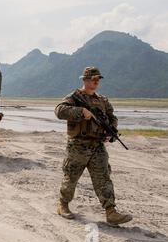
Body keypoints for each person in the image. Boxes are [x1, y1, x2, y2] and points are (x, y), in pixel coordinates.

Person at [54, 66, 133, 226]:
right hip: (78, 146)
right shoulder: (75, 97)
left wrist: (111, 132)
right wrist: (80, 112)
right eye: (93, 79)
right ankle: (63, 205)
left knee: (103, 178)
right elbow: (59, 111)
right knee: (71, 177)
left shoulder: (102, 100)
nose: (96, 82)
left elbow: (112, 118)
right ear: (84, 80)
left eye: (98, 79)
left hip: (97, 146)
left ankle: (111, 212)